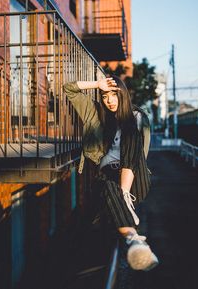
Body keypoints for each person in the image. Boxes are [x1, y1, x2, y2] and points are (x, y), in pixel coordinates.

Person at [63, 76, 158, 271]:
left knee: (132, 129)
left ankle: (123, 198)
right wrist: (97, 84)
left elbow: (136, 152)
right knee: (105, 186)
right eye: (105, 95)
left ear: (123, 95)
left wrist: (124, 190)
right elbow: (69, 89)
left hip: (134, 178)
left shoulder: (137, 116)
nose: (109, 100)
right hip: (108, 177)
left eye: (114, 94)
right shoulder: (96, 113)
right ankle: (134, 241)